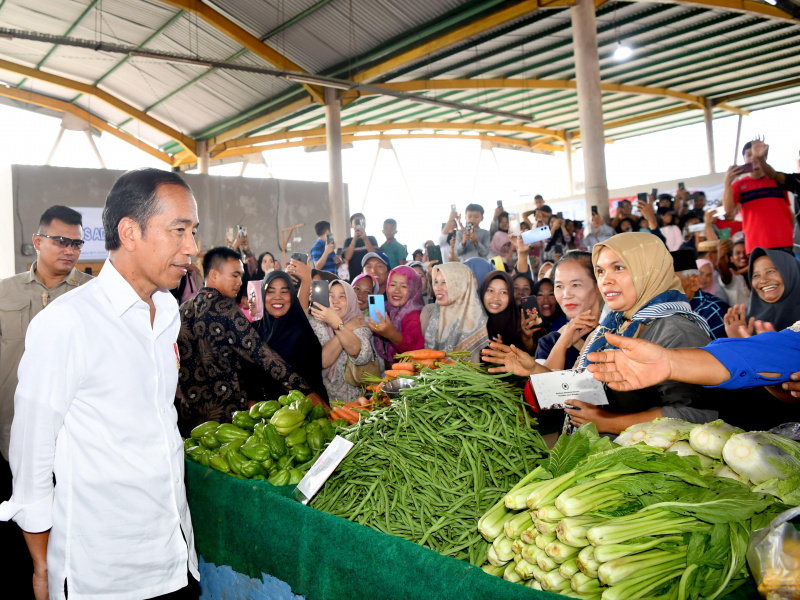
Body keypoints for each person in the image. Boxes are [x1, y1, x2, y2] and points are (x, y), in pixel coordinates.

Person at [0, 169, 202, 598]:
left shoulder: (167, 312)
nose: (192, 248)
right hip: (102, 571)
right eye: (179, 230)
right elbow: (32, 451)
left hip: (172, 556)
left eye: (194, 231)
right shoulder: (67, 323)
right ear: (129, 232)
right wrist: (41, 564)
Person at [484, 232, 717, 435]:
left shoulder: (676, 330)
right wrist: (535, 371)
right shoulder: (616, 325)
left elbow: (703, 415)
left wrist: (610, 423)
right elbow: (591, 391)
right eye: (601, 271)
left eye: (619, 268)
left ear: (648, 271)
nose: (607, 280)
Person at [0, 206, 92, 595]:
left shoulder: (92, 295)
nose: (69, 250)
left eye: (76, 243)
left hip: (72, 442)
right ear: (37, 242)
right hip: (8, 437)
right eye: (60, 241)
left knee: (70, 538)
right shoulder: (4, 293)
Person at [178, 247, 318, 431]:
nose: (240, 282)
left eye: (241, 276)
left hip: (191, 421)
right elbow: (262, 355)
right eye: (235, 275)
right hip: (227, 422)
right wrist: (307, 391)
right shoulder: (226, 310)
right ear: (214, 274)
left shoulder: (183, 310)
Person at [256, 271, 329, 403]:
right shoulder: (254, 330)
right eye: (271, 291)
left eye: (284, 291)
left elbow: (310, 384)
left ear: (292, 296)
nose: (277, 297)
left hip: (301, 413)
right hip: (262, 415)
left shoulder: (303, 335)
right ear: (263, 294)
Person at [722, 140, 793, 255]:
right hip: (756, 244)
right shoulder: (738, 185)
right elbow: (728, 209)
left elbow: (789, 212)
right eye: (749, 154)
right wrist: (727, 182)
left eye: (757, 153)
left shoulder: (778, 180)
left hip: (785, 241)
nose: (753, 158)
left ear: (764, 156)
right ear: (744, 158)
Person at [309, 280, 375, 402]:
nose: (335, 300)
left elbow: (360, 354)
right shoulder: (316, 323)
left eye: (342, 296)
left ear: (351, 300)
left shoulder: (359, 322)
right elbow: (324, 360)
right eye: (330, 295)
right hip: (323, 400)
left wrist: (336, 324)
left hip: (356, 404)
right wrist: (344, 326)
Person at [536, 251, 601, 370]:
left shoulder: (619, 331)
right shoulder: (548, 343)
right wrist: (562, 344)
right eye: (559, 286)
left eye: (575, 285)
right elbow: (544, 387)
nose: (566, 295)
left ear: (598, 285)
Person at [724, 247, 800, 338]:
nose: (763, 280)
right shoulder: (748, 323)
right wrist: (738, 342)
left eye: (770, 271)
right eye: (756, 275)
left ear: (791, 273)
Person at [421, 262, 489, 363]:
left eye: (444, 282)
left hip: (469, 377)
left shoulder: (476, 316)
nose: (437, 288)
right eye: (436, 281)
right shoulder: (429, 312)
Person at [369, 265, 425, 363]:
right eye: (393, 284)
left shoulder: (414, 315)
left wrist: (392, 335)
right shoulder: (386, 308)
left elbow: (415, 350)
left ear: (413, 289)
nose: (397, 290)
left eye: (404, 286)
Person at [671, 249, 729, 340]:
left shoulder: (713, 310)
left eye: (672, 282)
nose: (664, 288)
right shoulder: (668, 308)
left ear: (694, 282)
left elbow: (719, 352)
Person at [480, 271, 538, 353]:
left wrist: (526, 338)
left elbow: (529, 354)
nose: (496, 298)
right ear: (483, 291)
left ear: (510, 295)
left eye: (503, 292)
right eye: (490, 290)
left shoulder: (519, 322)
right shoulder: (471, 321)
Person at [343, 213, 379, 280]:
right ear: (351, 225)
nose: (359, 224)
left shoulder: (371, 239)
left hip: (371, 275)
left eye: (362, 221)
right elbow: (347, 257)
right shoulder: (348, 241)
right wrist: (354, 240)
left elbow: (375, 255)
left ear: (365, 224)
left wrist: (365, 239)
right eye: (356, 222)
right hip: (354, 277)